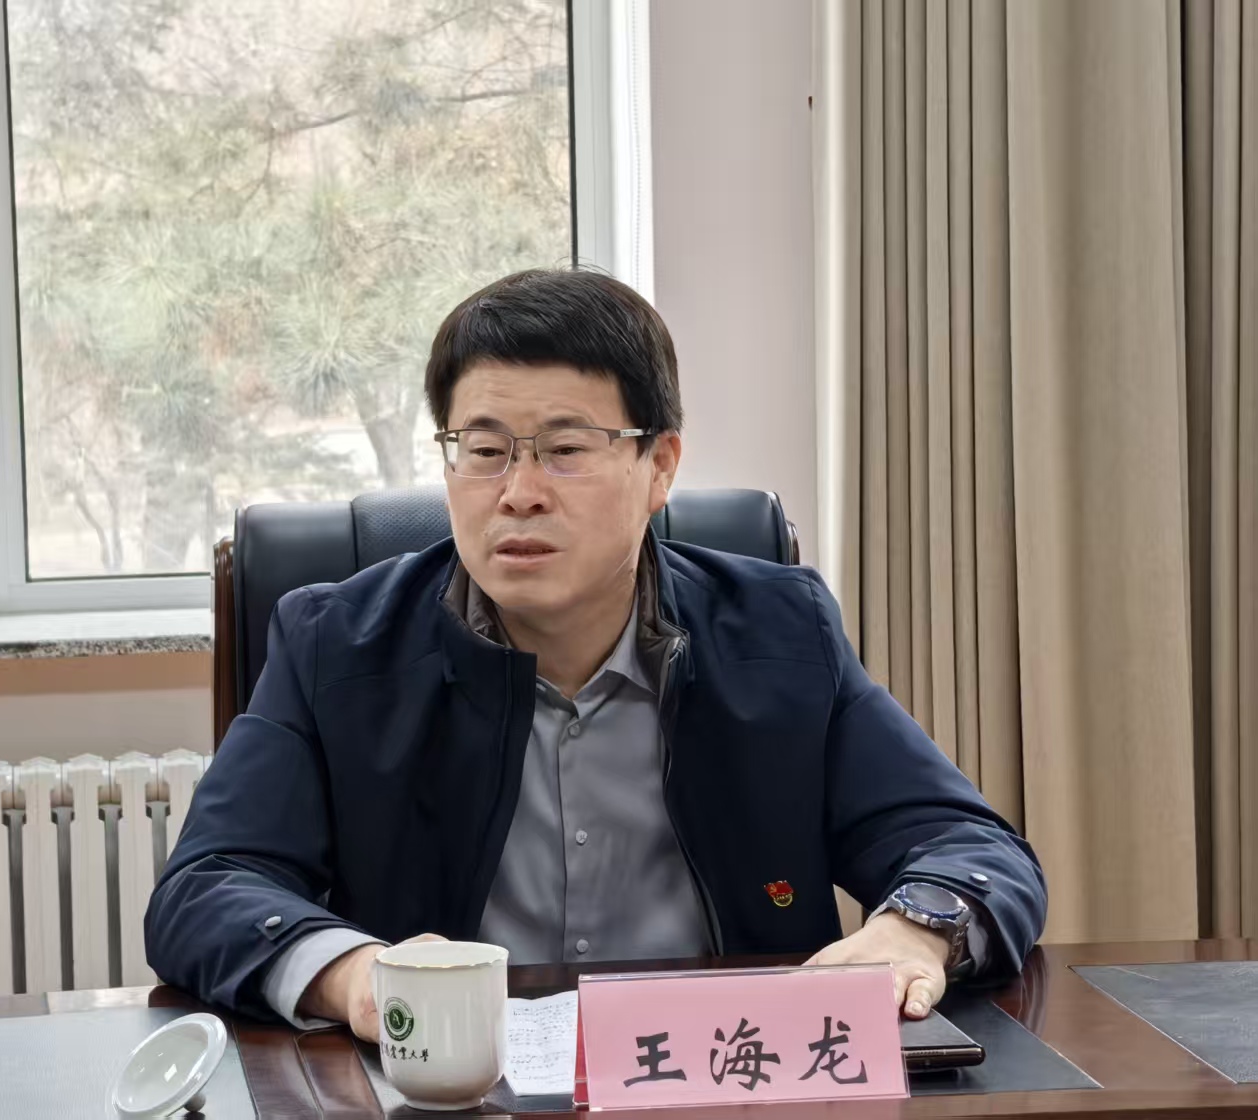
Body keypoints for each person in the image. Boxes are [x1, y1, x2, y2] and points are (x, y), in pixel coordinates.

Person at [145, 268, 1047, 1038]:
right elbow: (207, 888)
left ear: (660, 466)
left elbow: (970, 847)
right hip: (456, 1088)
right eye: (484, 450)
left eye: (565, 450)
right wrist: (356, 978)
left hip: (720, 1077)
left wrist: (912, 930)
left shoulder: (780, 631)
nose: (519, 493)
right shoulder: (335, 645)